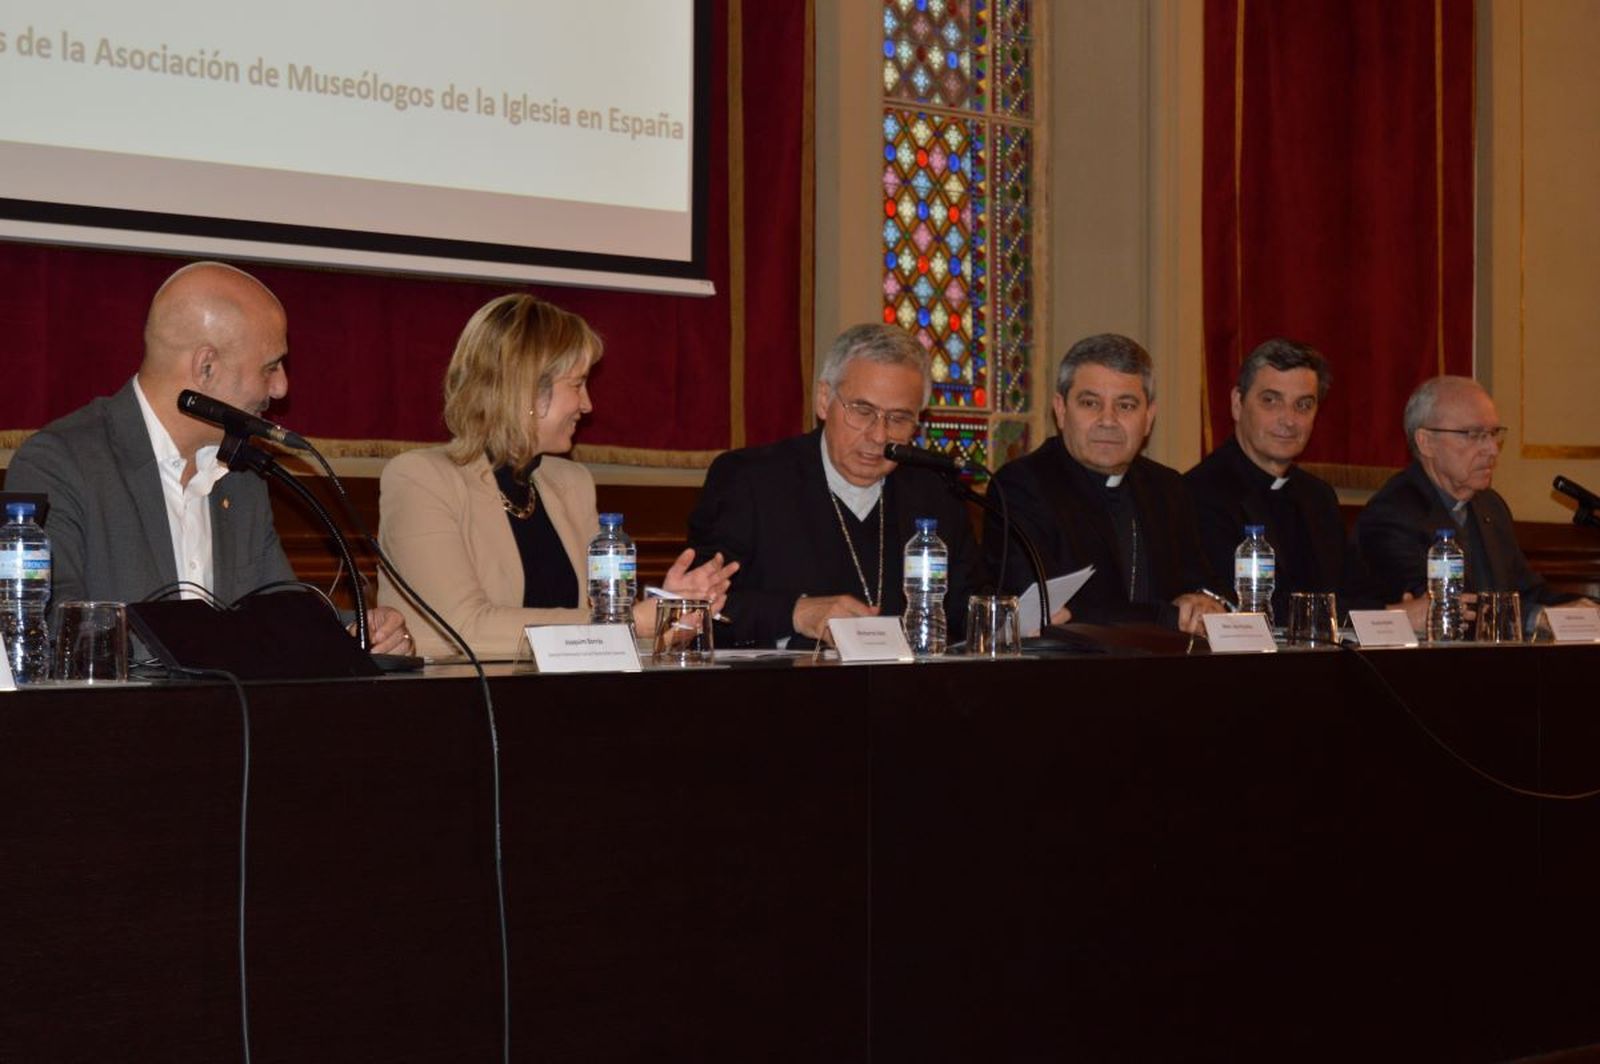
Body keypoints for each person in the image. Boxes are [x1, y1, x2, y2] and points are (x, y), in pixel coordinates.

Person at [6, 261, 411, 654]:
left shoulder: (242, 475)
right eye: (270, 367)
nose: (281, 387)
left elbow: (282, 614)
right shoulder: (61, 464)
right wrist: (206, 645)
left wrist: (357, 632)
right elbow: (53, 629)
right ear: (206, 367)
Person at [378, 293, 735, 658]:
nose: (587, 405)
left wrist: (666, 617)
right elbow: (462, 629)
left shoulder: (571, 483)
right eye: (577, 385)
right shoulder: (420, 479)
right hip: (460, 691)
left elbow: (601, 635)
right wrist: (630, 622)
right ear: (528, 390)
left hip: (567, 691)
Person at [686, 323, 985, 648]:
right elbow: (695, 606)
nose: (879, 435)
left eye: (899, 418)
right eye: (863, 411)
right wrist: (795, 612)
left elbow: (969, 613)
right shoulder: (749, 480)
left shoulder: (936, 493)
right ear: (824, 400)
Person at [986, 333, 1225, 635]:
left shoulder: (1168, 488)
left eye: (1126, 406)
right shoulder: (1021, 486)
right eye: (1090, 403)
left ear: (1148, 417)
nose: (1108, 420)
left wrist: (1204, 603)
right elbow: (1046, 609)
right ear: (1061, 409)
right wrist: (1168, 616)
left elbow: (1204, 584)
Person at [1356, 375, 1592, 628]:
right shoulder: (1392, 515)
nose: (1492, 449)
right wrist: (1535, 617)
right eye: (1473, 434)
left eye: (1493, 434)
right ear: (1426, 442)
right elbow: (1444, 608)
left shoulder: (1491, 506)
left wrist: (1582, 607)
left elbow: (1528, 591)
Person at [1185, 338, 1369, 617]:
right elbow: (1244, 606)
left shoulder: (1319, 496)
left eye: (1303, 405)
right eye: (1271, 401)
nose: (1289, 420)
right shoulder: (1198, 493)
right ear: (1237, 404)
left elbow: (1357, 590)